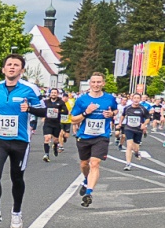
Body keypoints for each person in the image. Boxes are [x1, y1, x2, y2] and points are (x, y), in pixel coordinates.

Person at [0, 54, 46, 228]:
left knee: (17, 177)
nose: (12, 67)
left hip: (20, 141)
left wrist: (29, 109)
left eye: (16, 65)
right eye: (9, 64)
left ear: (22, 70)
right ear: (3, 69)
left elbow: (44, 111)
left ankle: (16, 212)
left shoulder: (29, 90)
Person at [69, 72, 117, 206]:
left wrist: (111, 114)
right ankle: (86, 179)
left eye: (99, 82)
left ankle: (89, 192)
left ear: (103, 83)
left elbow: (115, 110)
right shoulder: (82, 100)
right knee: (84, 164)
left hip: (101, 136)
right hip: (84, 136)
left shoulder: (109, 98)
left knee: (95, 163)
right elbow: (73, 120)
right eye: (94, 82)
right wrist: (86, 113)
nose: (96, 85)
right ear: (90, 83)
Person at [121, 92, 150, 169]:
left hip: (138, 130)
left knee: (136, 148)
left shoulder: (142, 109)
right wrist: (120, 123)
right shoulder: (127, 108)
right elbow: (123, 116)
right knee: (129, 146)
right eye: (135, 98)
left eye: (138, 98)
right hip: (129, 128)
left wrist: (144, 124)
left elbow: (148, 118)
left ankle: (137, 153)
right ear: (132, 99)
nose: (136, 100)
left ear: (140, 100)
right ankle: (128, 164)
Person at [40, 87, 66, 162]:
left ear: (57, 94)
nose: (53, 94)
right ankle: (46, 154)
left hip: (56, 124)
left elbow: (66, 111)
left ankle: (55, 147)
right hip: (48, 123)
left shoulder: (61, 102)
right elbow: (41, 110)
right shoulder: (46, 102)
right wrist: (43, 116)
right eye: (52, 93)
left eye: (55, 93)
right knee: (47, 138)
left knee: (55, 140)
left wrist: (59, 111)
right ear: (50, 94)